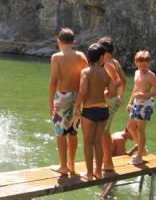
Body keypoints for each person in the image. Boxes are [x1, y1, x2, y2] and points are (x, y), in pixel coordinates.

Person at [49, 28, 88, 175]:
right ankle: (72, 165)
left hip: (61, 97)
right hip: (77, 97)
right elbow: (86, 78)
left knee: (60, 132)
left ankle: (63, 166)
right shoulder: (81, 56)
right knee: (73, 131)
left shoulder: (56, 57)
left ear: (59, 41)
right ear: (73, 42)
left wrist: (50, 102)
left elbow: (53, 82)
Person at [73, 43, 115, 180]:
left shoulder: (86, 72)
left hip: (89, 111)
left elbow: (83, 91)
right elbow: (112, 90)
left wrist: (76, 106)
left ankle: (89, 174)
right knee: (98, 142)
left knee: (87, 143)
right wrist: (103, 92)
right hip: (103, 110)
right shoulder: (106, 72)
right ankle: (98, 171)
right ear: (101, 57)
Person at [127, 50, 156, 165]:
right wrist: (130, 102)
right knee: (131, 127)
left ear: (149, 63)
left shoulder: (150, 75)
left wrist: (144, 95)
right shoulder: (137, 73)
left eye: (145, 65)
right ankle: (143, 149)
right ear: (136, 63)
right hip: (136, 103)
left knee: (140, 130)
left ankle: (140, 156)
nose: (143, 67)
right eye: (140, 65)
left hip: (146, 104)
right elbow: (135, 88)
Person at [98, 36, 127, 171]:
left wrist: (105, 93)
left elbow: (117, 81)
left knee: (102, 132)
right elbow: (124, 80)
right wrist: (120, 97)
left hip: (109, 101)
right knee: (106, 131)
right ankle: (107, 159)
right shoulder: (114, 62)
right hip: (114, 101)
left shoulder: (108, 63)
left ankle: (108, 162)